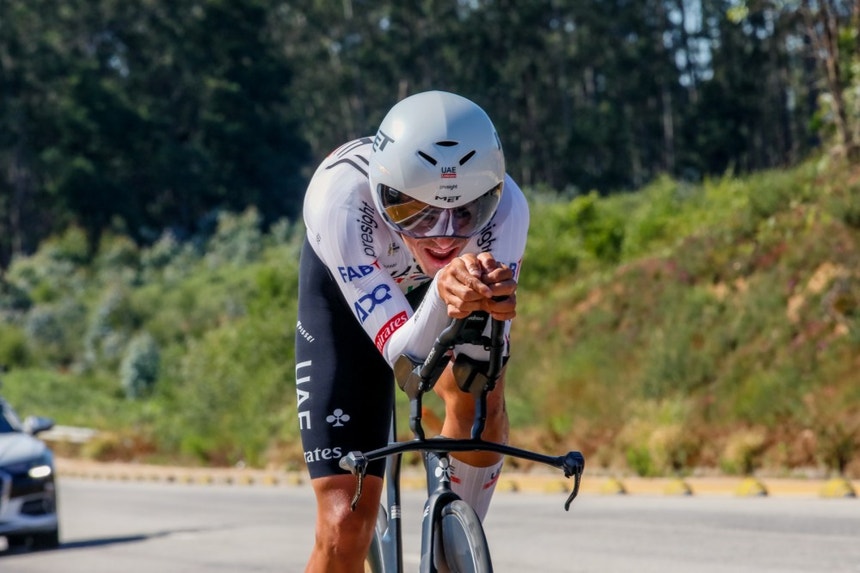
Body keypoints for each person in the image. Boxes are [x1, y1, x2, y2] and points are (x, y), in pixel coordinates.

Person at [295, 90, 529, 572]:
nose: (443, 236)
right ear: (383, 197)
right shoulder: (339, 201)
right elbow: (407, 366)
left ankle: (450, 549)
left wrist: (484, 308)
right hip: (351, 296)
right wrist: (443, 289)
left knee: (479, 381)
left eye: (467, 211)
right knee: (344, 523)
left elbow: (485, 361)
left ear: (492, 196)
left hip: (443, 294)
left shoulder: (509, 210)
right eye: (416, 213)